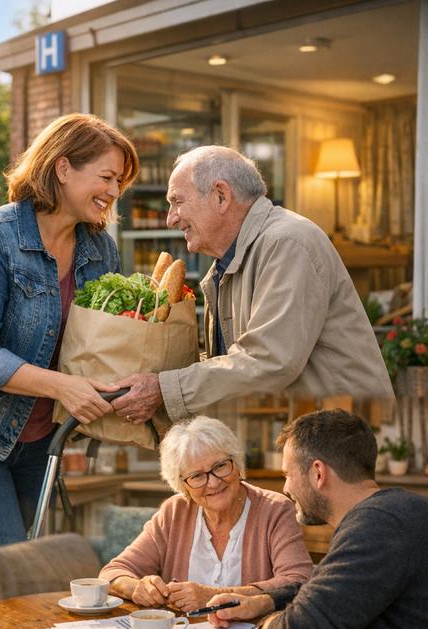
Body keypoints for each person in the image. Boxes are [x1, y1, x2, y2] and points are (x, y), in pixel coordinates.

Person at [0, 113, 139, 547]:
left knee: (33, 571)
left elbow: (100, 342)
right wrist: (62, 387)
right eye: (106, 177)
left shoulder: (99, 249)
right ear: (63, 168)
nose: (114, 192)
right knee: (10, 568)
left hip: (43, 440)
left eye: (119, 181)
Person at [111, 146, 393, 425]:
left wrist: (165, 389)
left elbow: (268, 361)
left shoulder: (287, 243)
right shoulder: (225, 263)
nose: (171, 218)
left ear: (221, 196)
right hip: (306, 432)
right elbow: (231, 359)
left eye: (177, 201)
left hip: (345, 438)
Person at [205, 409, 428, 629]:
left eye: (288, 473)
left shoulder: (378, 526)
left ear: (318, 472)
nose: (285, 487)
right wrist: (263, 602)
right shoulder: (396, 513)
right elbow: (331, 589)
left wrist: (264, 626)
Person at [99, 416, 312, 613]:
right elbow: (113, 572)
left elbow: (298, 581)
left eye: (220, 466)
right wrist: (137, 588)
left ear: (236, 464)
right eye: (197, 476)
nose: (213, 482)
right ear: (183, 485)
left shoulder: (274, 509)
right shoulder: (174, 512)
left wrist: (212, 595)